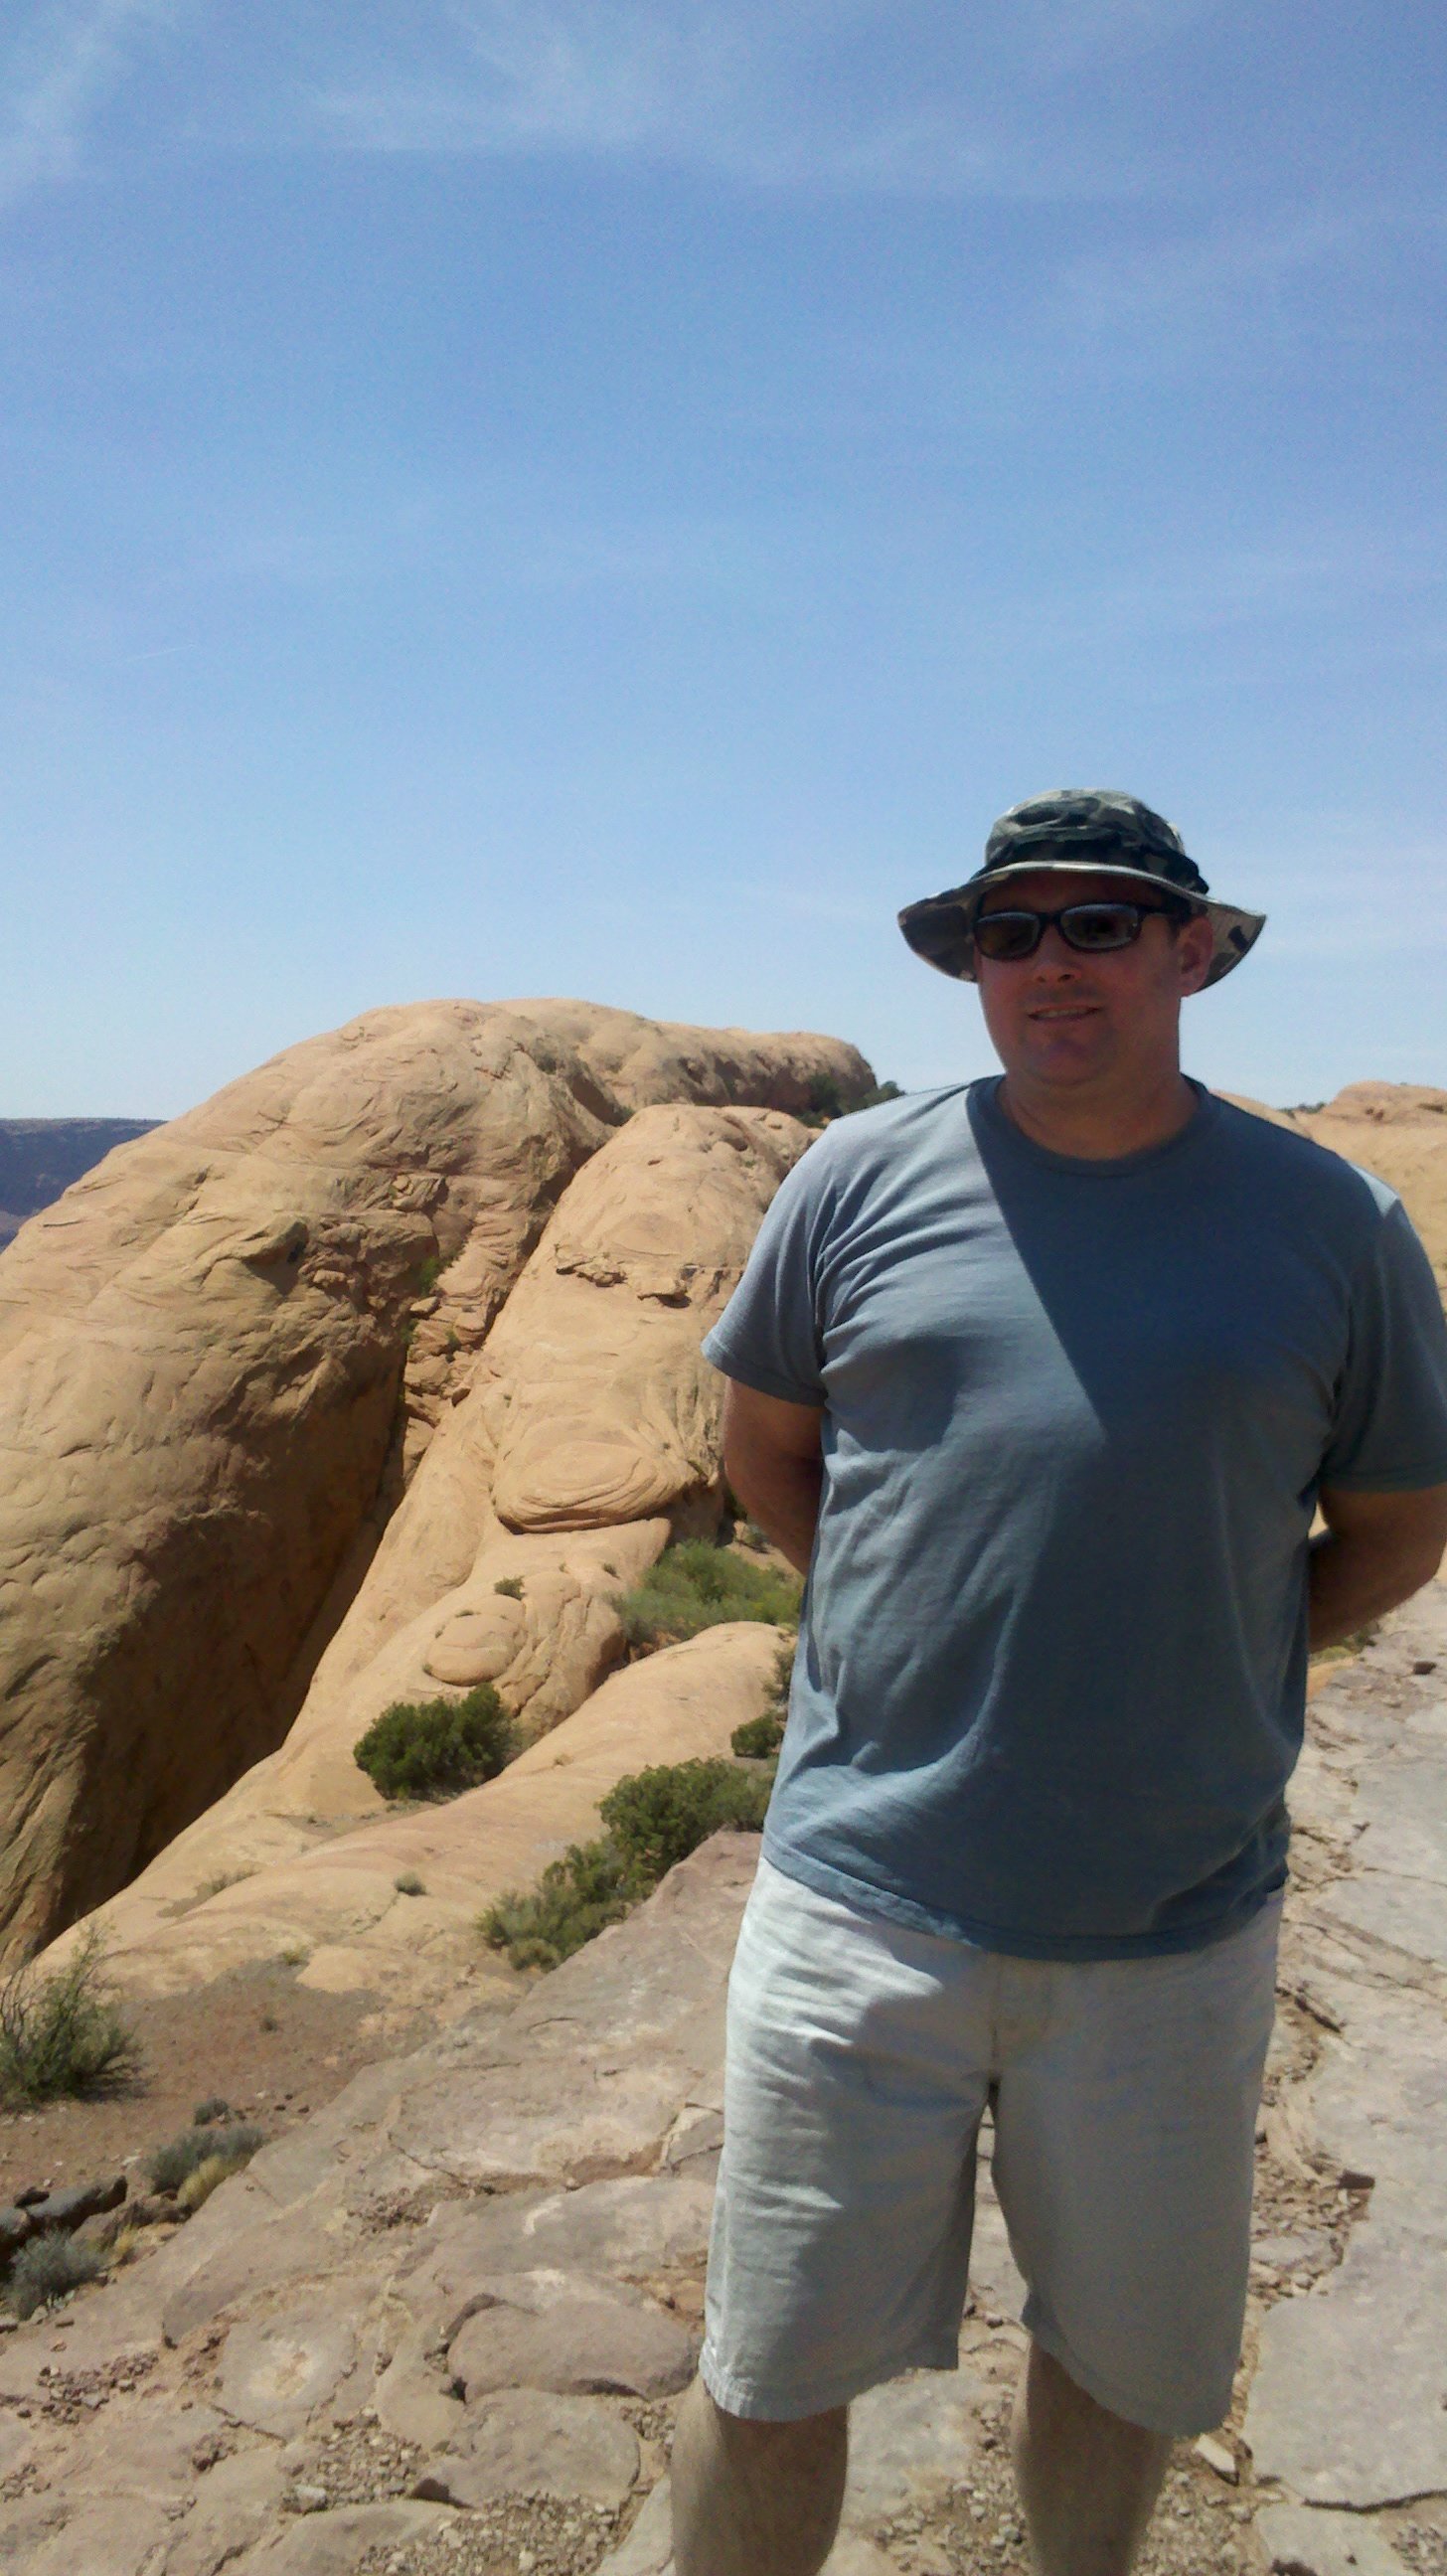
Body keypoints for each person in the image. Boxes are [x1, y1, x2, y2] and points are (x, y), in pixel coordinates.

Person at [670, 789, 1447, 2576]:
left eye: (1101, 924)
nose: (1051, 964)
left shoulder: (1335, 1224)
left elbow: (1399, 1529)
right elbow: (767, 1453)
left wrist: (1217, 1646)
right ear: (974, 967)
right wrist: (909, 1626)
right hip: (860, 1909)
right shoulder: (854, 1182)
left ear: (1194, 953)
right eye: (1010, 931)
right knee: (770, 2369)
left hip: (1170, 1925)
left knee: (1121, 2364)